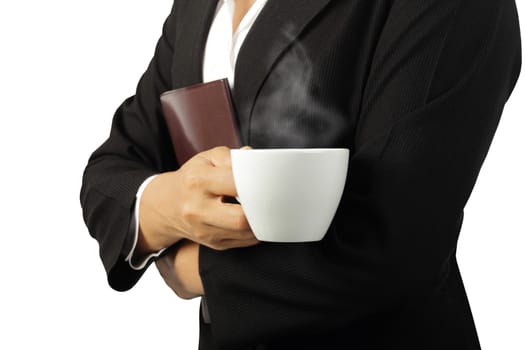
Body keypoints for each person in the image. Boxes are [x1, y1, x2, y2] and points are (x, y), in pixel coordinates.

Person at [80, 0, 521, 349]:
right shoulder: (197, 7)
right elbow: (111, 171)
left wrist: (194, 268)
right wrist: (167, 206)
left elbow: (396, 244)